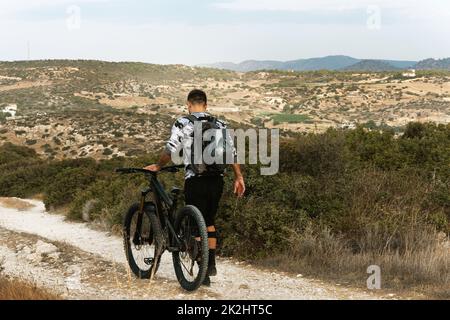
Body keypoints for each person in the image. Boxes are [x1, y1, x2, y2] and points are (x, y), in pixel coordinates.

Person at [144, 89, 245, 286]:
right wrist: (239, 177)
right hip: (217, 179)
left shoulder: (184, 122)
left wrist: (159, 165)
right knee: (208, 221)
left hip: (195, 179)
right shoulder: (221, 124)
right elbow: (232, 153)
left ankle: (203, 273)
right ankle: (211, 263)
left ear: (189, 104)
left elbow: (171, 148)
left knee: (195, 225)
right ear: (206, 105)